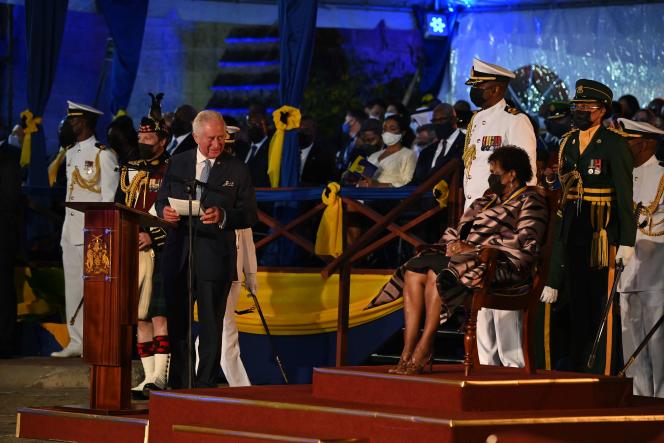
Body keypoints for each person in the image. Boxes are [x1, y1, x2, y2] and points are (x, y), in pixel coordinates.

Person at [384, 146, 547, 374]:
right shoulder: (487, 200)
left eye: (496, 173)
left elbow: (526, 241)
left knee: (435, 273)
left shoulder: (531, 200)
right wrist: (452, 245)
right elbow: (460, 229)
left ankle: (425, 346)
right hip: (467, 261)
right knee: (413, 270)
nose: (491, 177)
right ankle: (408, 349)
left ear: (512, 174)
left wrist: (475, 248)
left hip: (501, 266)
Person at [540, 79, 636, 374]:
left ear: (602, 110)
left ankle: (599, 368)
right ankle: (576, 361)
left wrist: (627, 241)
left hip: (600, 228)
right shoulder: (568, 140)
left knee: (596, 298)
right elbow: (565, 181)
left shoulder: (614, 143)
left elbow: (623, 194)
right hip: (573, 219)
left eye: (586, 107)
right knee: (574, 297)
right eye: (577, 106)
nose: (580, 111)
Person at [156, 110, 257, 388]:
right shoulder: (177, 163)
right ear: (196, 136)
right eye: (211, 138)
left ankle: (205, 387)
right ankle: (180, 385)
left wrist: (223, 216)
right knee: (179, 327)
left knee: (212, 328)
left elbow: (249, 214)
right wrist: (164, 210)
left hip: (215, 257)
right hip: (179, 257)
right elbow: (161, 198)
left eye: (221, 138)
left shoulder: (237, 169)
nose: (217, 144)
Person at [462, 58, 537, 368]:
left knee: (504, 293)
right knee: (479, 291)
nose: (476, 91)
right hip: (475, 218)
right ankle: (483, 363)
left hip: (504, 219)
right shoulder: (477, 119)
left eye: (479, 86)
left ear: (496, 88)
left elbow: (527, 174)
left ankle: (512, 367)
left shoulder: (515, 120)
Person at [115, 93, 171, 398]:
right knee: (140, 316)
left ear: (163, 140)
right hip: (131, 249)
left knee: (159, 315)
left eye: (150, 135)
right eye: (142, 134)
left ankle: (161, 376)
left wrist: (154, 237)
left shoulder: (173, 168)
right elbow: (119, 204)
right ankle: (147, 376)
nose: (144, 139)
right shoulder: (129, 167)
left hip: (160, 250)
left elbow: (178, 215)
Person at [53, 101, 119, 358]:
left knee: (96, 288)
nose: (70, 124)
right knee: (73, 286)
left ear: (86, 122)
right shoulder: (70, 153)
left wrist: (102, 234)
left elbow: (108, 198)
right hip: (70, 229)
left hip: (93, 232)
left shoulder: (103, 154)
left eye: (74, 120)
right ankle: (76, 340)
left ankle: (96, 339)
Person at [616, 118, 664, 397]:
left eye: (628, 142)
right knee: (631, 345)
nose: (624, 148)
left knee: (658, 346)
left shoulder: (660, 175)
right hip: (627, 272)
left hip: (656, 272)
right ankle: (637, 402)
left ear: (646, 144)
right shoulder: (622, 175)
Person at [0, 135, 21, 358]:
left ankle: (5, 342)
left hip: (3, 233)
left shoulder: (9, 157)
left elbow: (9, 198)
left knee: (3, 288)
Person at [357, 115, 417, 189]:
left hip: (390, 198)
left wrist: (378, 185)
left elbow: (407, 182)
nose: (387, 132)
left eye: (392, 129)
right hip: (365, 197)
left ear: (403, 133)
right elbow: (364, 178)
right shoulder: (373, 155)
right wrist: (357, 179)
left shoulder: (409, 154)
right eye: (385, 129)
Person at [411, 104, 464, 186]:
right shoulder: (426, 152)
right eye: (434, 121)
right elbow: (416, 182)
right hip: (423, 197)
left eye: (441, 120)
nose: (437, 124)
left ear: (453, 120)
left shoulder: (467, 144)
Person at [299, 116, 337, 186]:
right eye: (300, 130)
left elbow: (322, 180)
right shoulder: (290, 152)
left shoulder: (324, 154)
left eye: (306, 130)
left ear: (314, 131)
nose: (303, 133)